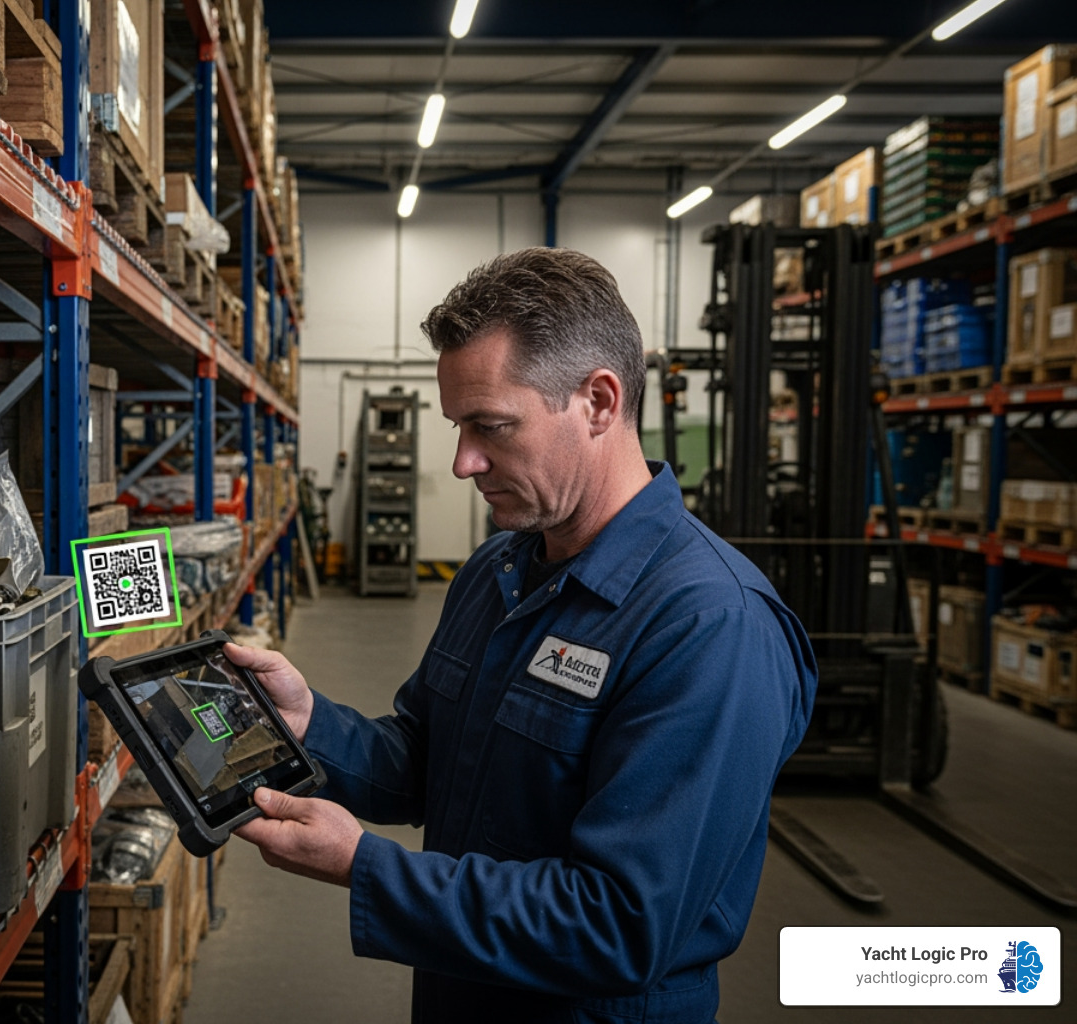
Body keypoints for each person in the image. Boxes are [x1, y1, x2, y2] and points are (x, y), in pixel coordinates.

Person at [224, 246, 818, 1024]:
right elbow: (429, 763)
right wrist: (309, 724)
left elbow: (619, 924)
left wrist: (366, 867)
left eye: (491, 426)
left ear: (599, 401)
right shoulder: (497, 570)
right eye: (458, 426)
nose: (463, 462)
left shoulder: (710, 626)